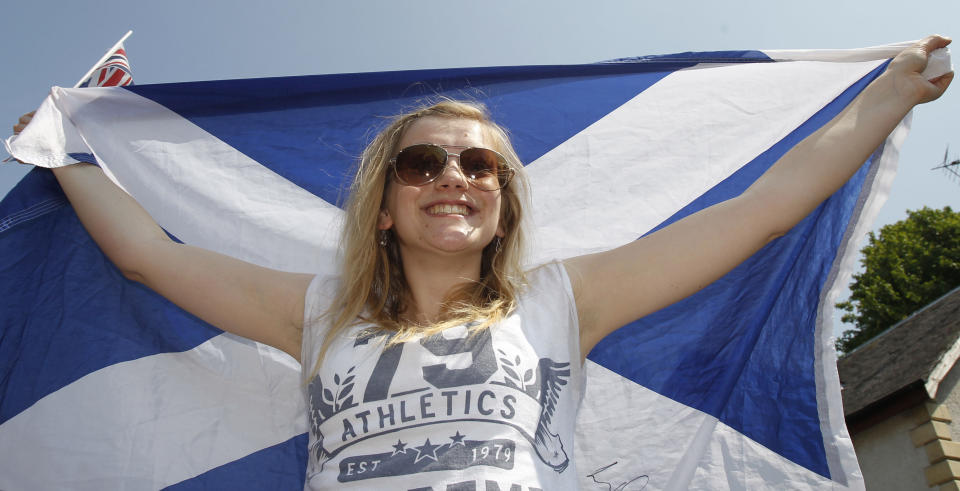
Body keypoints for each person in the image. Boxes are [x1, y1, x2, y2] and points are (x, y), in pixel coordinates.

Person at [12, 36, 953, 489]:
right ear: (384, 207)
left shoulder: (564, 299)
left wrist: (883, 103)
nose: (452, 178)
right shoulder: (318, 311)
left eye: (479, 165)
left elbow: (757, 213)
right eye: (423, 163)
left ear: (504, 199)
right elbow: (144, 256)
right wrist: (64, 151)